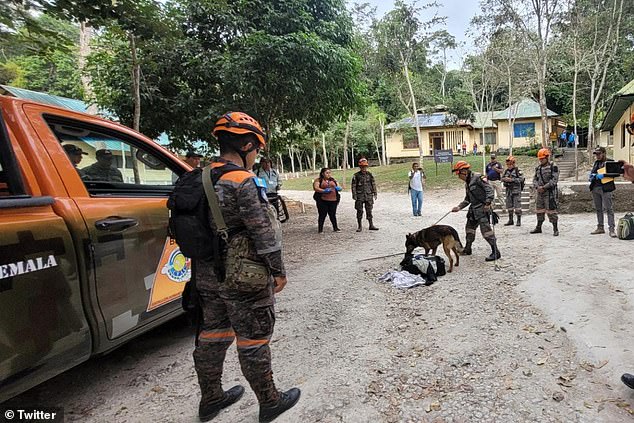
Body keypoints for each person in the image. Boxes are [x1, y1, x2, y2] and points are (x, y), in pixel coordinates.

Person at [193, 112, 300, 422]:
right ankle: (270, 402)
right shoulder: (241, 180)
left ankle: (211, 398)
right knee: (253, 337)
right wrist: (278, 270)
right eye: (256, 150)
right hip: (244, 275)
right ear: (248, 145)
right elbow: (264, 233)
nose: (256, 156)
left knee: (212, 333)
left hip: (206, 273)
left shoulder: (196, 177)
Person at [451, 160, 501, 261]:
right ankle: (468, 248)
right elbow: (467, 199)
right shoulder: (467, 183)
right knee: (469, 229)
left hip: (483, 209)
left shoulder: (478, 177)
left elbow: (489, 189)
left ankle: (496, 252)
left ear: (464, 171)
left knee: (486, 232)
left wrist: (488, 203)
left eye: (458, 174)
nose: (458, 177)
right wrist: (459, 207)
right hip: (473, 210)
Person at [530, 148, 559, 236]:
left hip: (549, 192)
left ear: (547, 157)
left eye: (542, 159)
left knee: (551, 211)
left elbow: (554, 180)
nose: (541, 160)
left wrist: (544, 187)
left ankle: (555, 229)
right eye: (540, 159)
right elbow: (535, 179)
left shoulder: (553, 166)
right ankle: (538, 227)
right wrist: (537, 187)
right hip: (540, 192)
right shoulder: (538, 168)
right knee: (539, 210)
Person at [588, 146, 617, 237]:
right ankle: (600, 227)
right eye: (596, 154)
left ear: (604, 153)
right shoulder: (596, 163)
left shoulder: (610, 162)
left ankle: (611, 229)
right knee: (598, 209)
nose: (597, 156)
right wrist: (592, 176)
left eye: (599, 154)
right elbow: (593, 173)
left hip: (606, 188)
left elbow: (616, 173)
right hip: (595, 188)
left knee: (609, 209)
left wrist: (603, 175)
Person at [351, 158, 378, 232]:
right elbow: (353, 186)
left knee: (369, 210)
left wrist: (375, 193)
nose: (364, 168)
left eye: (365, 166)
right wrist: (354, 195)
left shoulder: (369, 174)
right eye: (362, 167)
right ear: (360, 167)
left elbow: (373, 184)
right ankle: (359, 226)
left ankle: (371, 225)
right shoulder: (356, 175)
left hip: (368, 195)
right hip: (360, 195)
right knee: (359, 211)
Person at [313, 168, 342, 233]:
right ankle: (320, 230)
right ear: (322, 173)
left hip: (333, 200)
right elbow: (316, 188)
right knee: (322, 215)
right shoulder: (318, 180)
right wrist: (324, 191)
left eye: (329, 173)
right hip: (322, 200)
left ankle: (335, 228)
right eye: (327, 173)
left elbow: (339, 187)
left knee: (332, 214)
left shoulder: (333, 180)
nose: (328, 174)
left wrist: (339, 188)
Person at [501, 156, 524, 227]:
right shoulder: (506, 171)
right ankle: (510, 220)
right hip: (508, 191)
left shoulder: (518, 171)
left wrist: (512, 180)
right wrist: (505, 179)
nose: (509, 166)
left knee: (517, 207)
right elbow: (502, 178)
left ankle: (518, 220)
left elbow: (521, 179)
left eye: (510, 164)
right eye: (507, 164)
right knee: (509, 206)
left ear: (513, 164)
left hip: (516, 191)